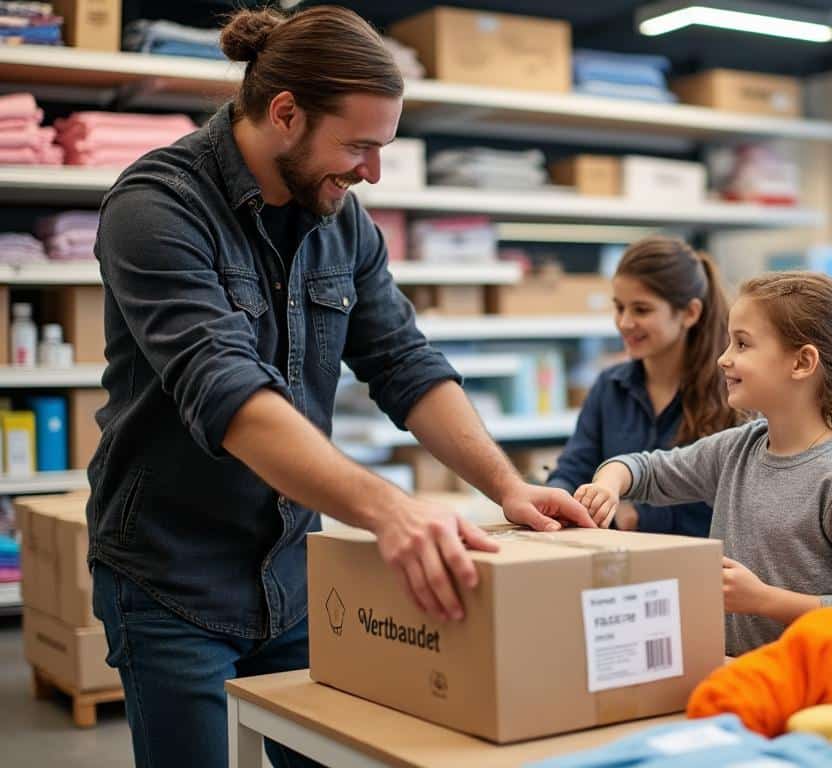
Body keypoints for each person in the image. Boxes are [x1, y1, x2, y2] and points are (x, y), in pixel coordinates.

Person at [87, 7, 590, 767]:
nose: (371, 172)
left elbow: (404, 363)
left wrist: (505, 486)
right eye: (358, 145)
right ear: (285, 113)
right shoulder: (157, 207)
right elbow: (226, 392)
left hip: (294, 579)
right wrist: (392, 511)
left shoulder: (344, 225)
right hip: (171, 584)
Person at [574, 271, 832, 655]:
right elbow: (648, 469)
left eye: (742, 344)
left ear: (802, 362)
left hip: (812, 691)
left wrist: (763, 599)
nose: (723, 358)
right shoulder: (738, 448)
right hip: (740, 674)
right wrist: (608, 484)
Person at [546, 236, 739, 536]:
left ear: (690, 313)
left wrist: (636, 516)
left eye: (641, 310)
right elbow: (573, 469)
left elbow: (731, 508)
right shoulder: (609, 387)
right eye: (619, 307)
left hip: (704, 569)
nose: (624, 322)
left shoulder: (732, 393)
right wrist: (556, 498)